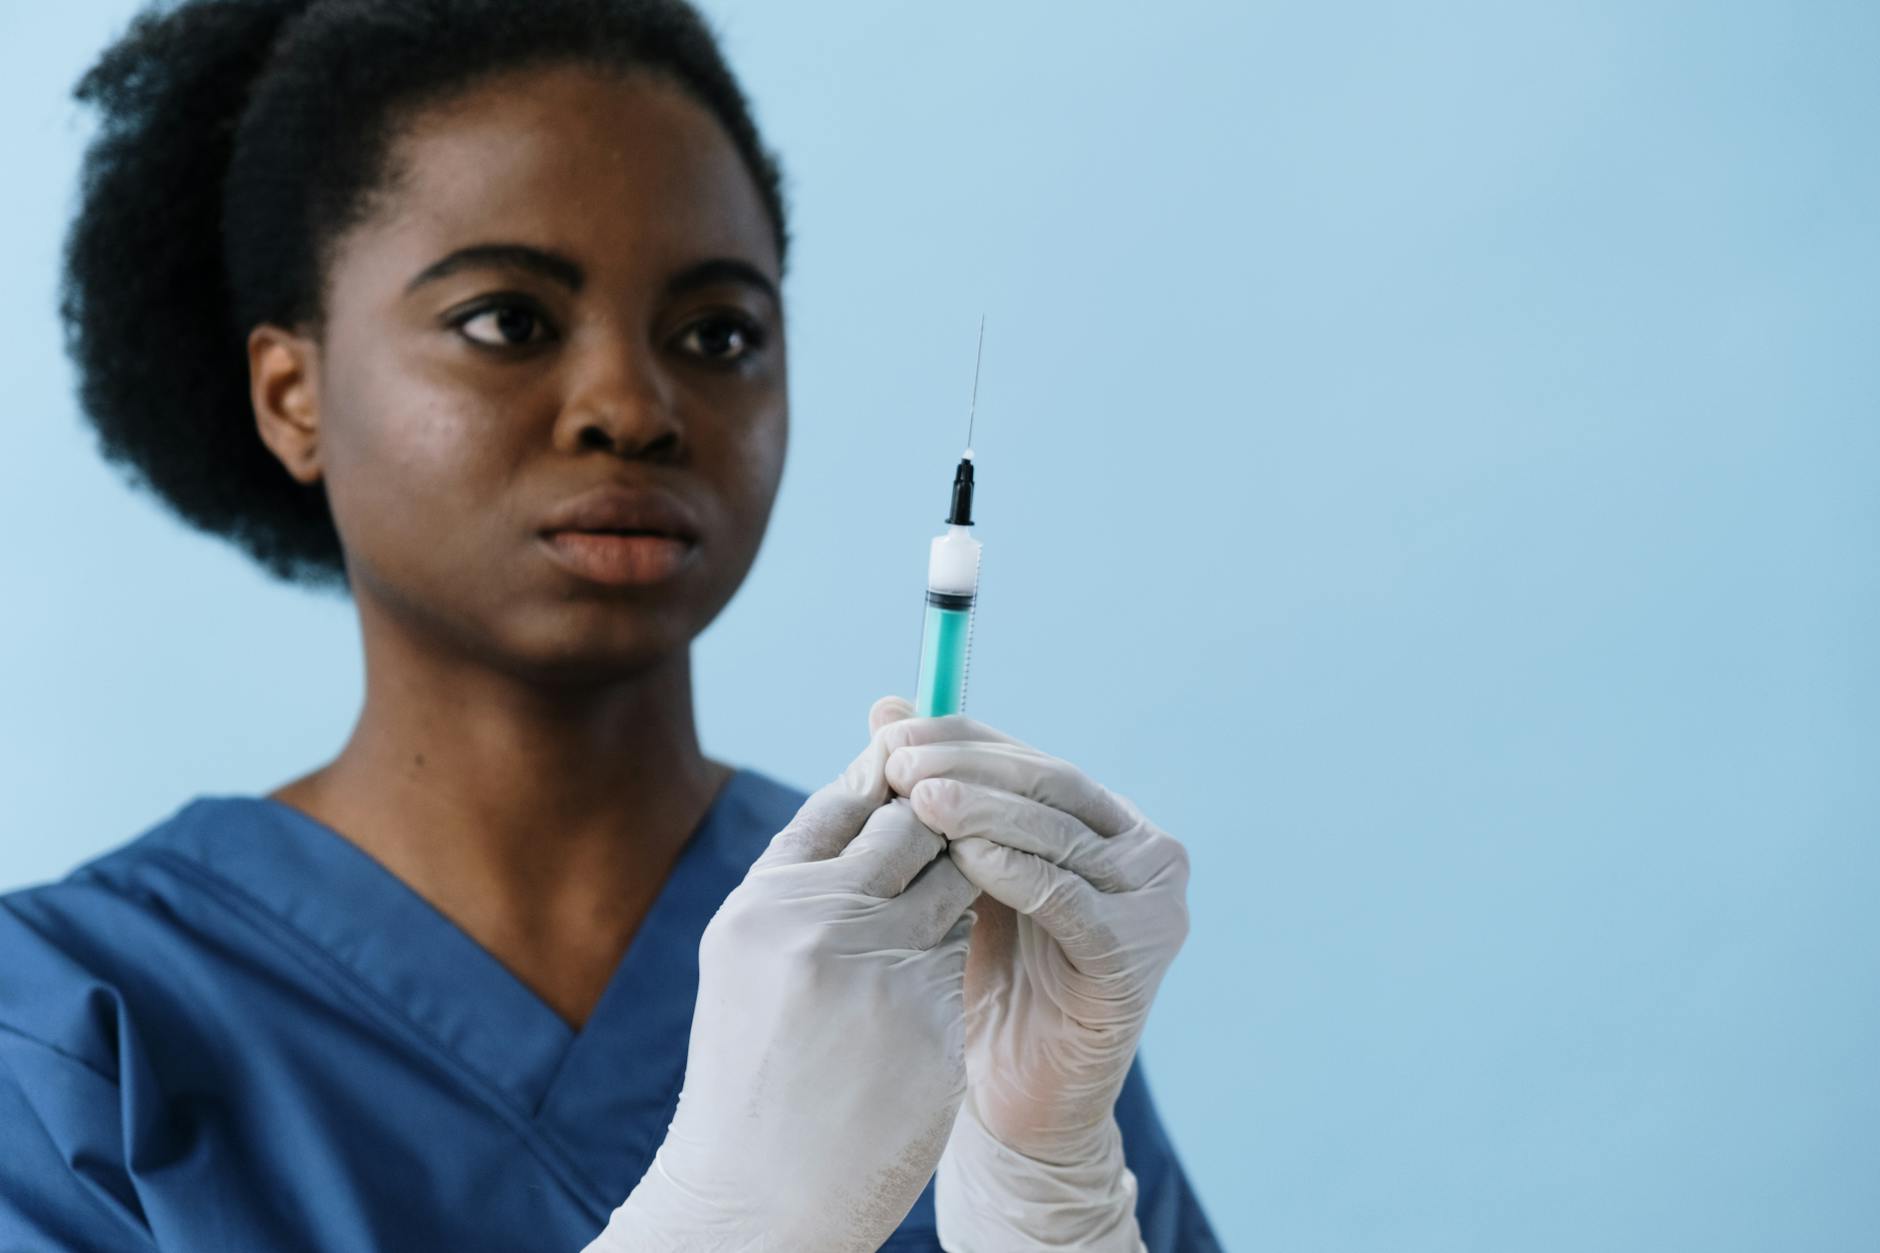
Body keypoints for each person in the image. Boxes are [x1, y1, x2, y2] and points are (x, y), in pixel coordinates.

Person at [0, 0, 1221, 1248]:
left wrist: (1057, 1212)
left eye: (716, 333)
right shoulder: (64, 1032)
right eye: (508, 320)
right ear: (291, 392)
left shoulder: (963, 971)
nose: (633, 406)